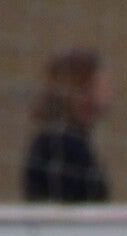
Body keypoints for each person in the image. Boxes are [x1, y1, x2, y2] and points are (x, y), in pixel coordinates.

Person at [23, 50, 112, 203]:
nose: (112, 90)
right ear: (84, 86)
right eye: (106, 83)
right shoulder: (62, 144)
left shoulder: (69, 138)